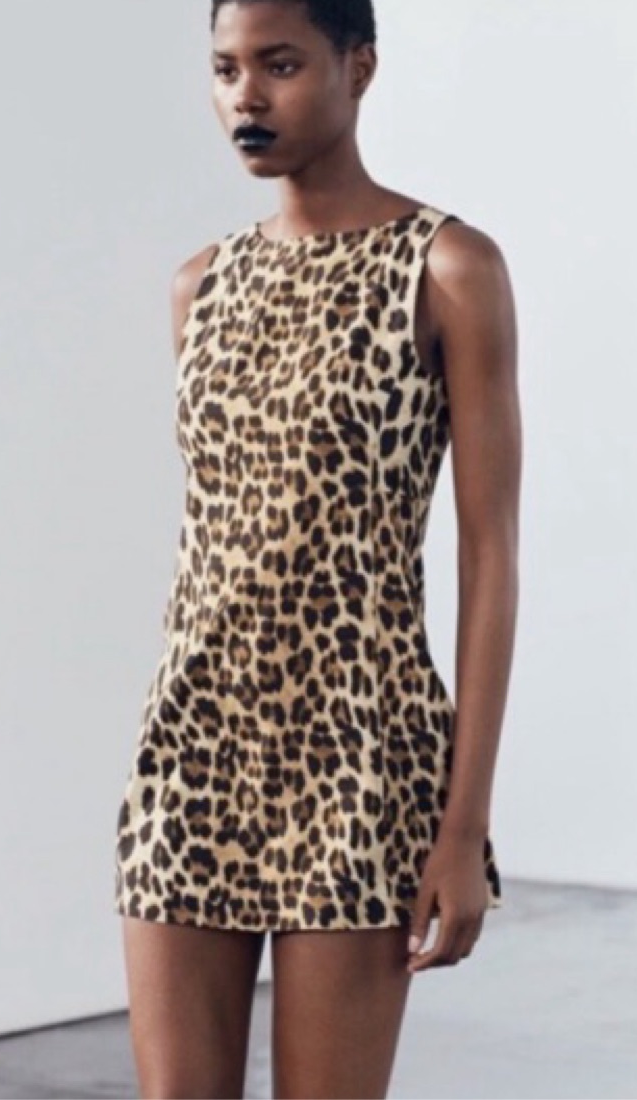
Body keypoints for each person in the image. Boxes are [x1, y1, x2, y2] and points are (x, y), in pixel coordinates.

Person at [113, 0, 521, 1096]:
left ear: (360, 67)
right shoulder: (202, 284)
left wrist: (461, 826)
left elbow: (490, 556)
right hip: (193, 742)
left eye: (281, 64)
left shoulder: (446, 267)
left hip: (357, 752)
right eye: (225, 69)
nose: (246, 95)